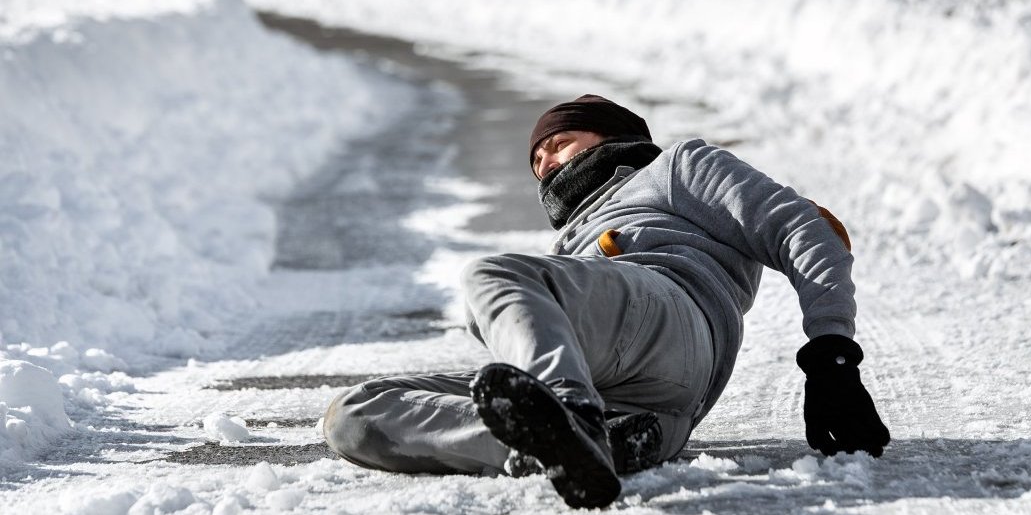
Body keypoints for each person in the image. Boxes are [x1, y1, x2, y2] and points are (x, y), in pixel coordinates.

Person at [322, 94, 890, 509]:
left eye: (558, 143)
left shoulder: (676, 170)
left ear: (611, 136)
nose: (544, 164)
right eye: (536, 161)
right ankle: (568, 444)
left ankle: (569, 413)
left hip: (673, 314)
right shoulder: (567, 243)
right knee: (355, 414)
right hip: (652, 404)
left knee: (491, 276)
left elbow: (806, 228)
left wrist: (832, 355)